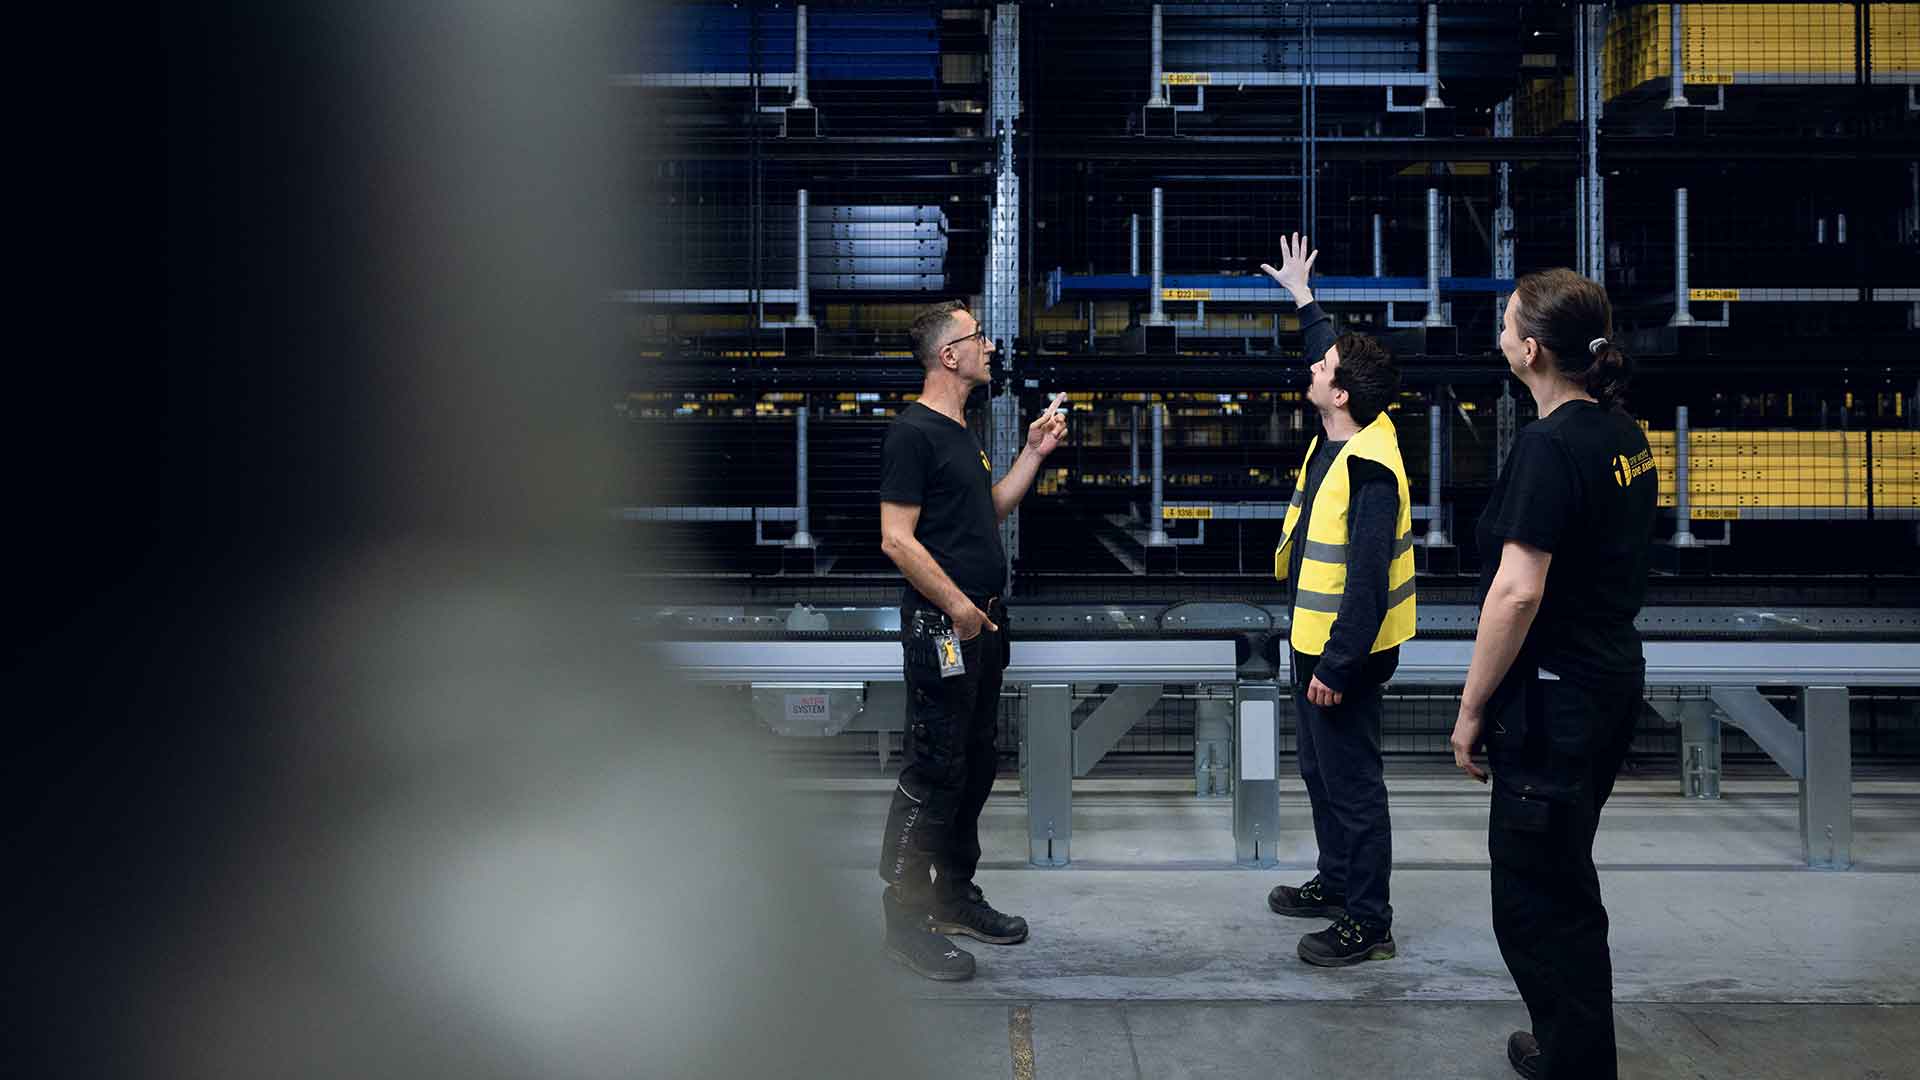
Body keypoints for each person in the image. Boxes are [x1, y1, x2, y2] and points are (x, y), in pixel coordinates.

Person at [1447, 269, 1656, 1079]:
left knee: (1537, 900)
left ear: (1531, 350)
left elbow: (1518, 591)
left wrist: (1472, 707)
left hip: (1554, 703)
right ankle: (1572, 1047)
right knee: (1564, 877)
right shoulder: (1621, 434)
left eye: (1506, 324)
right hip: (1607, 684)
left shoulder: (1549, 445)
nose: (1500, 335)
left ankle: (1576, 1063)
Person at [875, 300, 1070, 981]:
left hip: (979, 626)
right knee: (935, 772)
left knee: (976, 764)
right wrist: (957, 606)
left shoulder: (963, 429)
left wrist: (1033, 453)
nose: (989, 345)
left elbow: (983, 512)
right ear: (949, 355)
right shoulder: (913, 434)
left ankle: (953, 897)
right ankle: (904, 922)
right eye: (977, 336)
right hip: (945, 628)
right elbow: (896, 539)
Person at [1257, 233, 1417, 967]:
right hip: (1313, 640)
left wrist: (1338, 665)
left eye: (1322, 370)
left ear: (1341, 394)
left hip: (1343, 652)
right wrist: (1304, 298)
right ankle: (1338, 880)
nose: (1313, 368)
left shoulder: (1371, 468)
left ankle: (1368, 920)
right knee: (1321, 774)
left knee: (1352, 785)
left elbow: (1367, 582)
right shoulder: (1350, 425)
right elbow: (1330, 349)